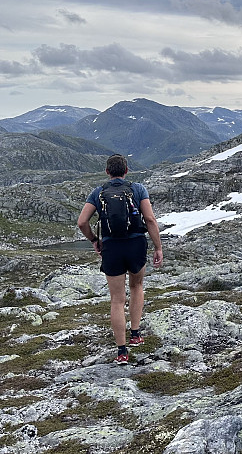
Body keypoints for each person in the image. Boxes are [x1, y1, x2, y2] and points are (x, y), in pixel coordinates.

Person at [77, 154, 163, 365]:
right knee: (137, 286)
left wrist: (94, 240)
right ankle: (135, 334)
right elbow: (150, 219)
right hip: (135, 245)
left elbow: (81, 222)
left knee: (117, 299)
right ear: (126, 170)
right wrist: (158, 247)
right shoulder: (138, 189)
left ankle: (122, 352)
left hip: (111, 247)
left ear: (107, 171)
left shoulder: (98, 192)